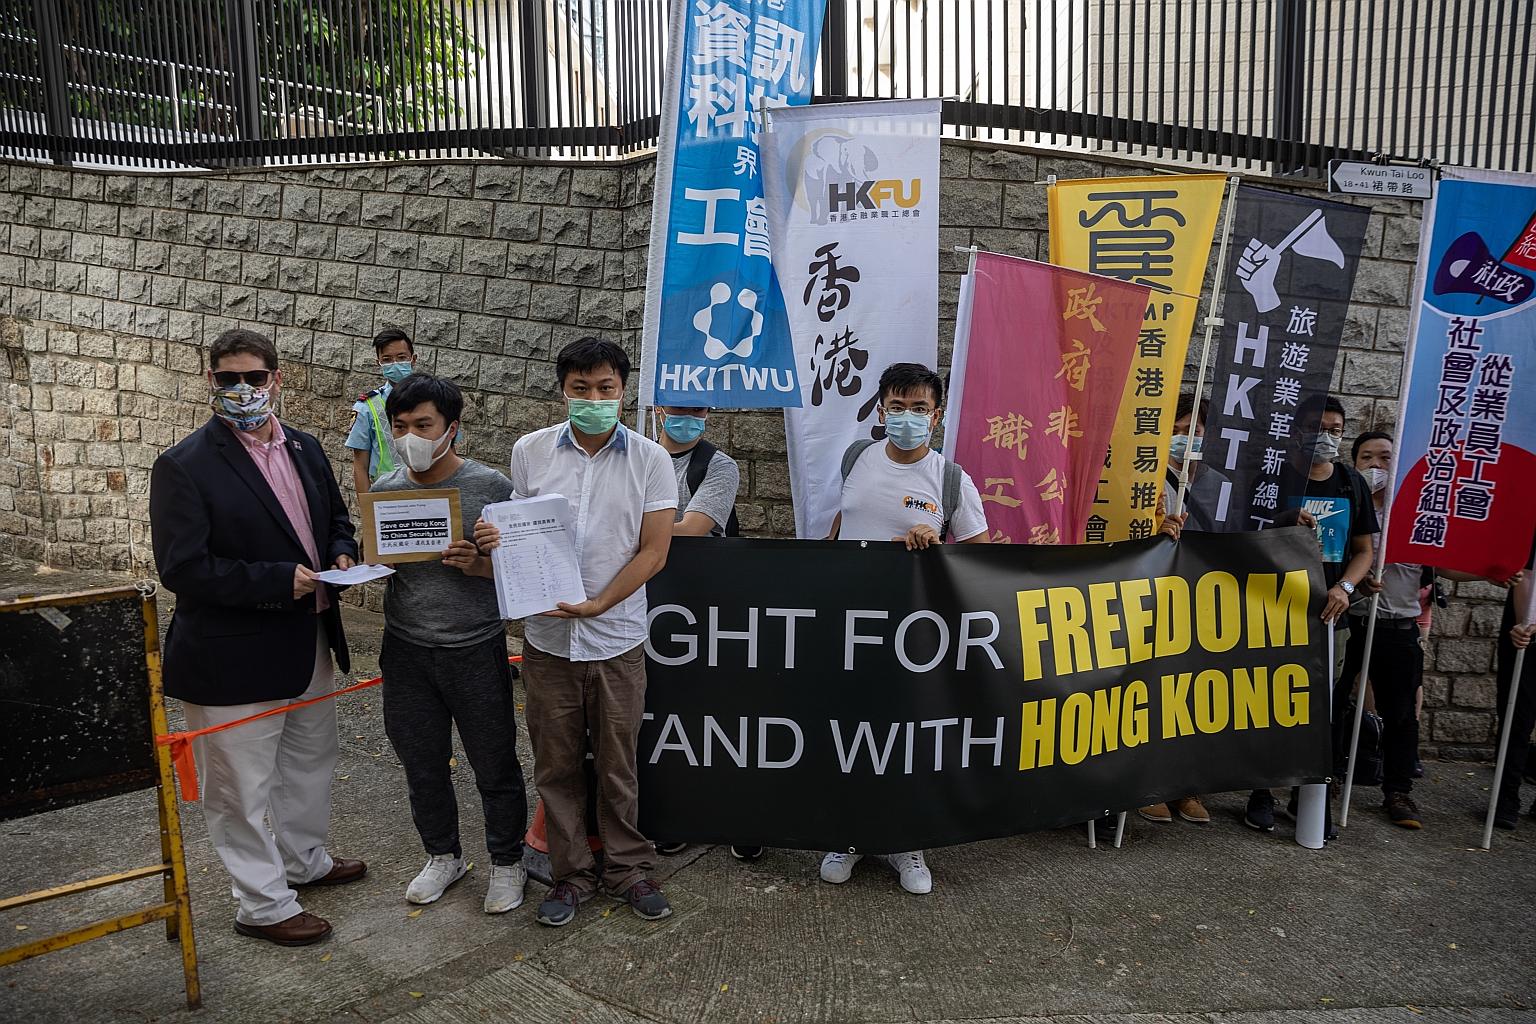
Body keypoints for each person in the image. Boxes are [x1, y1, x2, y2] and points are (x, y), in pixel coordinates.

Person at [149, 328, 364, 947]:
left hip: (309, 643)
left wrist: (342, 556)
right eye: (227, 379)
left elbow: (335, 522)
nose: (242, 389)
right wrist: (279, 580)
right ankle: (262, 904)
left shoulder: (305, 447)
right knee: (239, 787)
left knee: (310, 762)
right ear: (211, 381)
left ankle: (303, 862)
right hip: (231, 656)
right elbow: (183, 568)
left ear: (277, 378)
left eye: (254, 377)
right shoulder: (184, 465)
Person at [474, 338, 676, 926]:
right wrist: (494, 541)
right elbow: (518, 531)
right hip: (547, 643)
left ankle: (628, 870)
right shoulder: (531, 451)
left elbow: (655, 551)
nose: (593, 399)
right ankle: (570, 876)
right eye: (580, 389)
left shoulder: (649, 459)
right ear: (563, 390)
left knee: (619, 763)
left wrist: (599, 603)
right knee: (556, 765)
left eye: (605, 388)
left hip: (616, 639)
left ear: (623, 390)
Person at [819, 363, 989, 895]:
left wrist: (935, 544)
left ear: (936, 417)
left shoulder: (950, 480)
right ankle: (848, 833)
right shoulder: (854, 459)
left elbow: (981, 563)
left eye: (920, 409)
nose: (908, 417)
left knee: (907, 735)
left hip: (915, 638)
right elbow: (841, 527)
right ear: (880, 409)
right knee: (850, 732)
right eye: (898, 406)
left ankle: (905, 841)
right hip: (849, 625)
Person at [371, 373, 530, 912]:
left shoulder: (493, 487)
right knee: (421, 762)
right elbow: (378, 562)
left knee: (494, 763)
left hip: (475, 648)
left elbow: (527, 571)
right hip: (407, 648)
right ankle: (444, 856)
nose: (411, 436)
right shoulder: (387, 491)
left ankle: (507, 864)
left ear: (451, 429)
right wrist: (369, 562)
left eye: (423, 425)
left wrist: (483, 563)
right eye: (400, 426)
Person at [1244, 396, 1378, 834]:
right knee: (1270, 702)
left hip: (1329, 615)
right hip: (1277, 610)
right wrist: (1283, 519)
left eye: (1336, 428)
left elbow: (1364, 550)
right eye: (1318, 426)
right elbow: (1246, 540)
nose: (1327, 435)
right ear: (1297, 431)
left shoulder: (1351, 483)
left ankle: (1307, 800)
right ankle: (1261, 793)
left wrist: (1346, 587)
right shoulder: (1275, 479)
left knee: (1322, 706)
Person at [650, 405, 745, 859]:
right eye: (679, 409)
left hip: (709, 606)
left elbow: (692, 529)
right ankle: (674, 814)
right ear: (658, 409)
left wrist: (635, 524)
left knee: (722, 712)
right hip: (647, 604)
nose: (688, 418)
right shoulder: (638, 455)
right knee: (664, 712)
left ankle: (737, 815)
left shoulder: (718, 465)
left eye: (698, 411)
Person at [1139, 392, 1222, 826]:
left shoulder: (1213, 484)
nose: (1186, 439)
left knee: (1190, 695)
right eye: (1179, 428)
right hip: (1152, 602)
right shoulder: (1146, 479)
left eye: (1196, 432)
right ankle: (1146, 783)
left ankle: (1185, 785)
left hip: (1198, 603)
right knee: (1150, 692)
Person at [1493, 550, 1536, 831]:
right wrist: (1524, 623)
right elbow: (1524, 573)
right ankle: (1505, 797)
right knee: (1516, 716)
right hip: (1525, 628)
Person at [347, 328, 417, 497]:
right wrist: (368, 512)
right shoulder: (367, 406)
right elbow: (360, 466)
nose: (395, 364)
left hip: (427, 494)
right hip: (386, 495)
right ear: (378, 362)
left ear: (413, 359)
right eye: (387, 359)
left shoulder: (435, 399)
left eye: (401, 358)